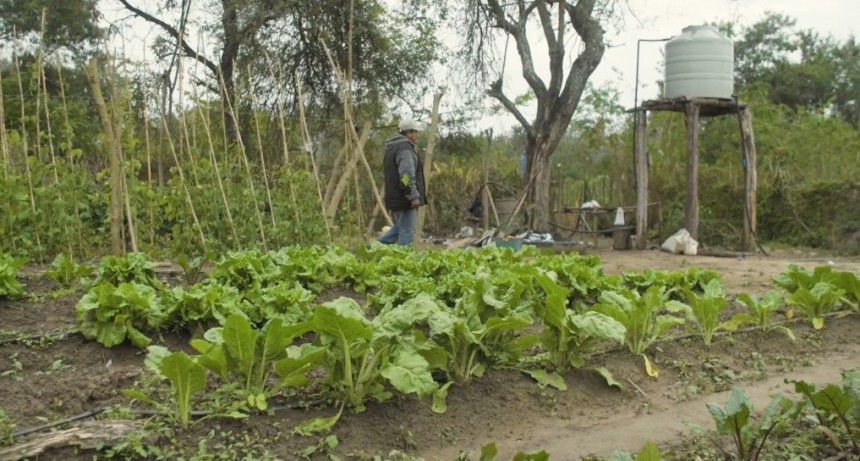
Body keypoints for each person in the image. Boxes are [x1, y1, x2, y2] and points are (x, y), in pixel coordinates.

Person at [377, 119, 426, 245]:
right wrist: (413, 196)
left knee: (398, 230)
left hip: (395, 196)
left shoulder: (392, 147)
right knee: (407, 232)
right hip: (404, 198)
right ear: (408, 133)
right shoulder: (405, 149)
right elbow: (406, 176)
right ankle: (403, 260)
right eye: (414, 132)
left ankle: (372, 247)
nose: (416, 135)